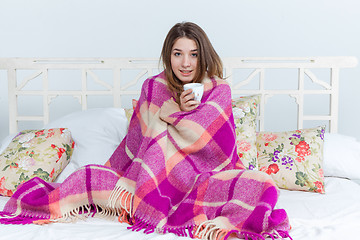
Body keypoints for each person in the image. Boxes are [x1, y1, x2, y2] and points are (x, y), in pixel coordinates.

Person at [0, 22, 291, 240]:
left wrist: (177, 113)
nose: (186, 63)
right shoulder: (154, 87)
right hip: (147, 179)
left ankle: (221, 220)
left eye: (193, 54)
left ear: (204, 56)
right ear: (169, 55)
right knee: (86, 176)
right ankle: (146, 204)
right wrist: (171, 109)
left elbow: (206, 138)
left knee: (261, 182)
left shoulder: (219, 90)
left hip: (204, 177)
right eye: (178, 54)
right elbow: (147, 140)